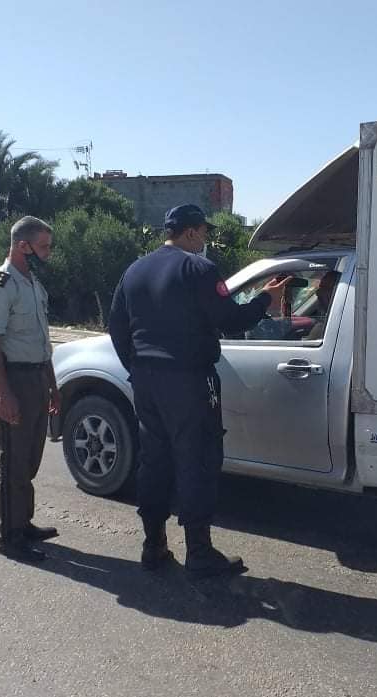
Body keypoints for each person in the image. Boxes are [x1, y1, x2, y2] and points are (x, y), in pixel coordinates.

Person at [108, 204, 272, 578]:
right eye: (204, 232)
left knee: (154, 461)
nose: (205, 239)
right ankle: (199, 552)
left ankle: (153, 545)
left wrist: (138, 368)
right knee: (196, 459)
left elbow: (117, 327)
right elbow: (230, 320)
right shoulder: (198, 269)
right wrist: (265, 301)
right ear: (191, 232)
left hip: (147, 380)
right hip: (188, 381)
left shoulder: (135, 270)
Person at [0, 216, 62, 563]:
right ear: (22, 246)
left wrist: (53, 385)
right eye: (43, 247)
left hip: (38, 378)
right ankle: (10, 537)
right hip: (13, 380)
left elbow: (42, 341)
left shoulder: (32, 284)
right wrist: (5, 394)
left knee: (29, 460)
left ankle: (23, 524)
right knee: (14, 462)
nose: (47, 253)